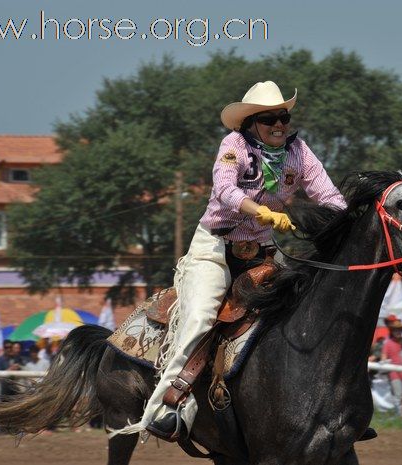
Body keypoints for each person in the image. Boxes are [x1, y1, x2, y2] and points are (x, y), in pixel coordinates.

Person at [137, 81, 347, 440]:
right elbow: (225, 189)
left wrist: (338, 221)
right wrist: (263, 211)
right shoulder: (234, 145)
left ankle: (329, 406)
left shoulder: (299, 152)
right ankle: (169, 406)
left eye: (284, 116)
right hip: (215, 249)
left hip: (263, 253)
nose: (279, 124)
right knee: (201, 315)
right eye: (269, 118)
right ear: (251, 122)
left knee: (306, 313)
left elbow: (329, 196)